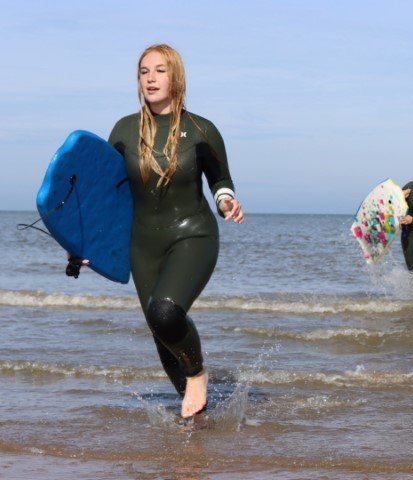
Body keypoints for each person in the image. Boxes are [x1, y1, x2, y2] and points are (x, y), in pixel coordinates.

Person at [108, 44, 244, 418]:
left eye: (160, 71)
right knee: (160, 331)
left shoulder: (201, 129)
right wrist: (83, 243)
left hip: (193, 234)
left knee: (167, 313)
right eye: (144, 71)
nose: (150, 78)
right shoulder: (123, 131)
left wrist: (226, 202)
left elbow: (221, 180)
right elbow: (106, 197)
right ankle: (197, 424)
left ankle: (198, 375)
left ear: (176, 77)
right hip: (143, 243)